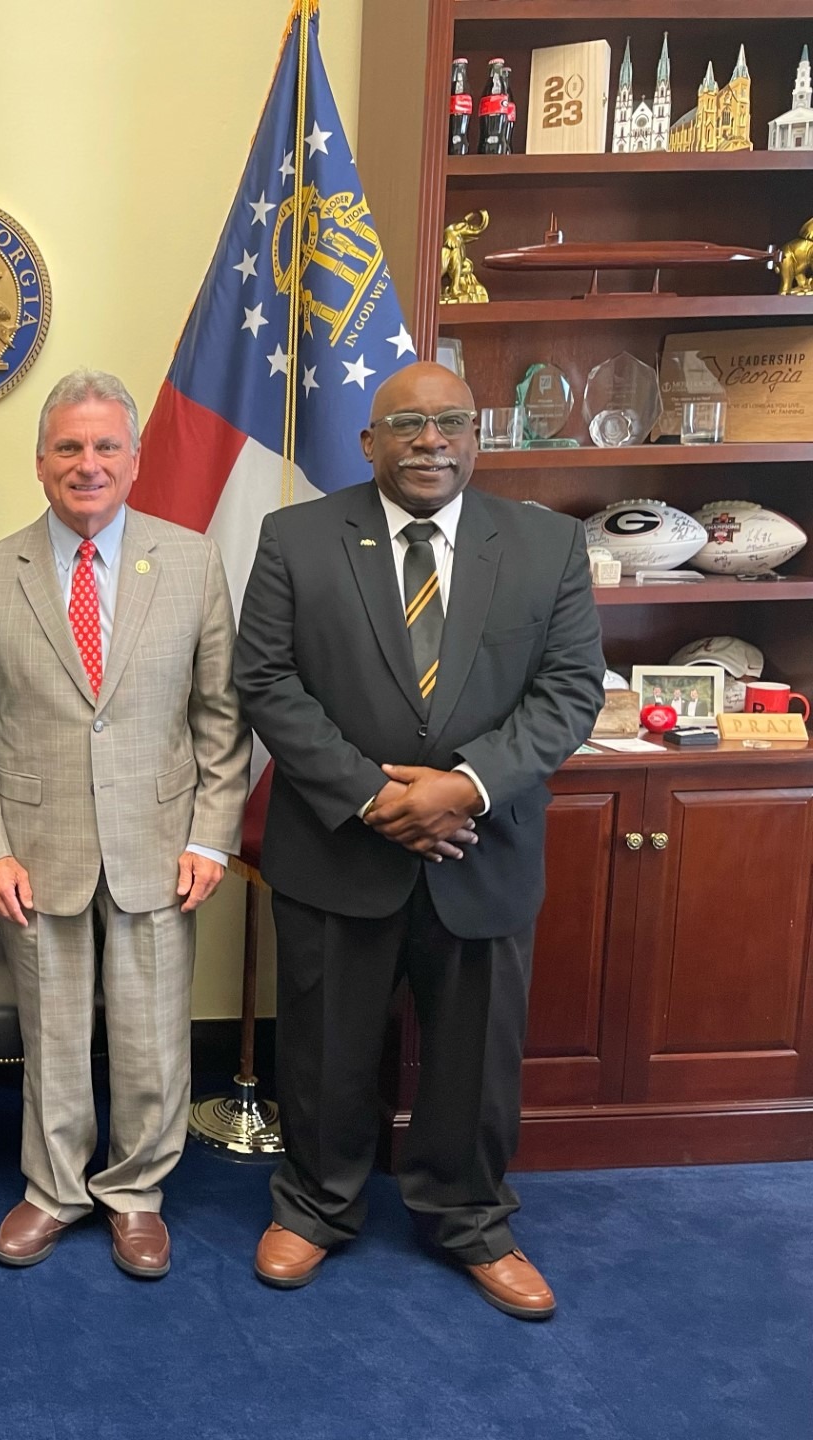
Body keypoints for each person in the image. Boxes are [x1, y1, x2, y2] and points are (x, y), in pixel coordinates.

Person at [233, 361, 604, 1320]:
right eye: (406, 424)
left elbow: (569, 692)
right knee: (321, 1051)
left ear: (477, 436)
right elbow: (266, 681)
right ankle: (315, 1208)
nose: (429, 440)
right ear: (369, 442)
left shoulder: (548, 545)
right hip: (338, 848)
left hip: (483, 850)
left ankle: (473, 1218)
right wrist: (371, 797)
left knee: (478, 1058)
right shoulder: (297, 537)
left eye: (449, 422)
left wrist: (462, 788)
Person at [0, 370, 250, 1279]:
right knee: (54, 1031)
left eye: (106, 446)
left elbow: (220, 716)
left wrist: (209, 835)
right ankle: (54, 1191)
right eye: (68, 447)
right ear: (40, 463)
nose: (88, 464)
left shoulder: (190, 560)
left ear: (135, 459)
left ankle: (136, 1192)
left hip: (160, 840)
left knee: (154, 1031)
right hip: (38, 850)